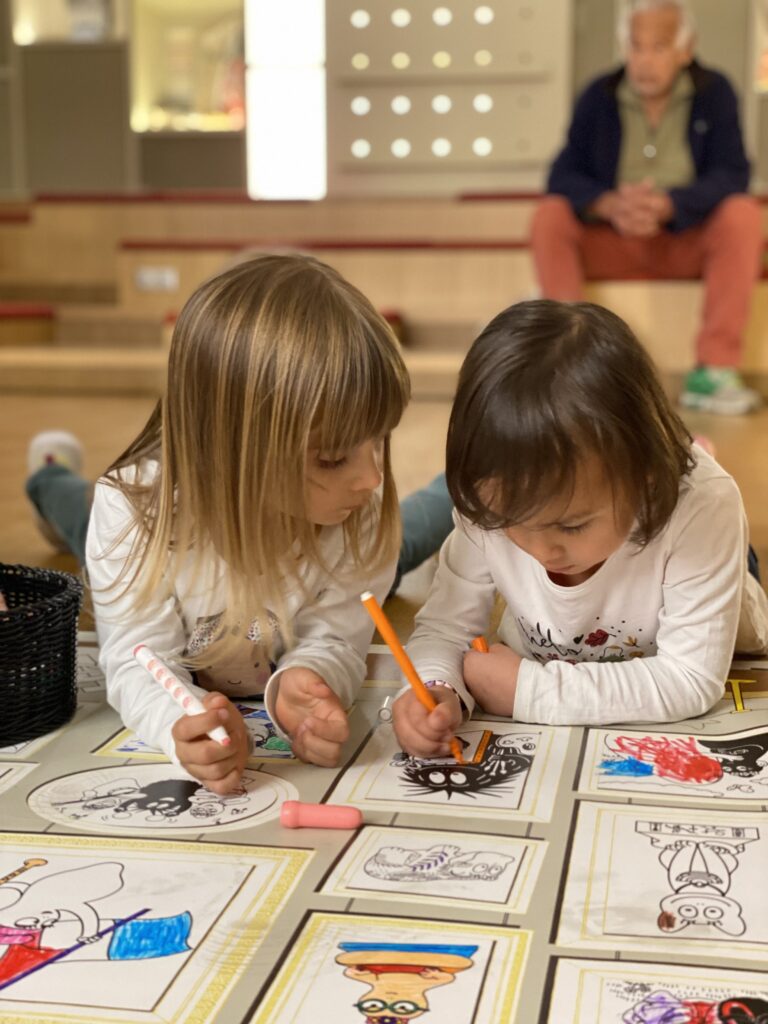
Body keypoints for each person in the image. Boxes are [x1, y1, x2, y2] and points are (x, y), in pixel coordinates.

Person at [83, 253, 410, 792]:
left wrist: (307, 683)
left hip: (335, 531)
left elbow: (335, 640)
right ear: (233, 448)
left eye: (380, 440)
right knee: (73, 507)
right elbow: (138, 656)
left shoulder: (361, 514)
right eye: (331, 458)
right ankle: (52, 478)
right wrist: (179, 724)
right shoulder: (130, 511)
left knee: (413, 531)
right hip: (145, 512)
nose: (372, 476)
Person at [392, 300, 768, 759]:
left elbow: (690, 679)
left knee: (716, 552)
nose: (539, 549)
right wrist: (435, 685)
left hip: (711, 573)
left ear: (645, 475)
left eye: (570, 525)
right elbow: (444, 628)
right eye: (508, 523)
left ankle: (719, 526)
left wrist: (528, 690)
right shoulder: (489, 497)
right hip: (579, 630)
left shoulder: (703, 505)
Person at [531, 0, 763, 416]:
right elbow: (561, 175)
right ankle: (567, 367)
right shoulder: (597, 96)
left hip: (684, 238)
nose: (644, 61)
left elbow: (733, 173)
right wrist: (609, 203)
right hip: (615, 239)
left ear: (685, 49)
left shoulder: (715, 93)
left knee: (743, 214)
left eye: (658, 48)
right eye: (635, 47)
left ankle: (713, 370)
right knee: (550, 215)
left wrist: (670, 204)